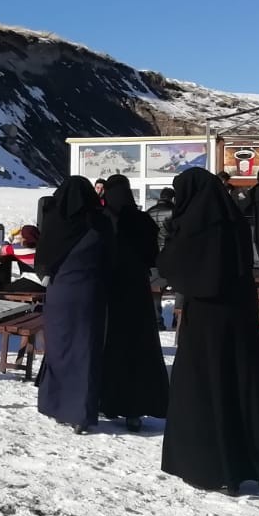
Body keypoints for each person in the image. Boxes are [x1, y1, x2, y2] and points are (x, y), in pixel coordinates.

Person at [158, 168, 259, 492]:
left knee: (206, 390)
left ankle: (212, 467)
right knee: (238, 387)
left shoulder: (194, 224)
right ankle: (243, 464)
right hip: (239, 315)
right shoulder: (231, 217)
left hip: (206, 320)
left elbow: (171, 265)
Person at [35, 176, 112, 433]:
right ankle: (81, 412)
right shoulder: (100, 221)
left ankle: (56, 403)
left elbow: (42, 260)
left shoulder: (55, 221)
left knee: (59, 349)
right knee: (86, 350)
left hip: (60, 293)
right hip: (91, 292)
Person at [97, 175, 169, 431]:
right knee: (139, 349)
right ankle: (135, 408)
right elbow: (152, 255)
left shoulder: (100, 218)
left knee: (107, 346)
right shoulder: (142, 220)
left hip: (106, 291)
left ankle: (104, 400)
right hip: (137, 292)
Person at [146, 186, 177, 329]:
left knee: (156, 289)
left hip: (153, 254)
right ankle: (177, 318)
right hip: (171, 253)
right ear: (172, 198)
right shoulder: (174, 212)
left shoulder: (149, 212)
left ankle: (158, 321)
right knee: (179, 287)